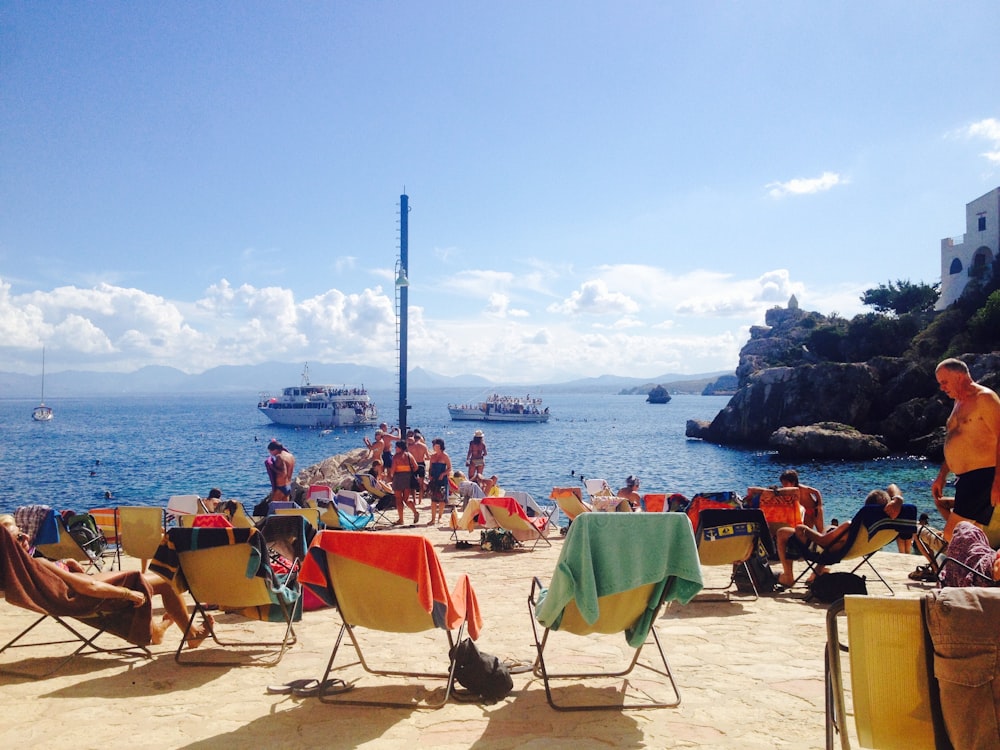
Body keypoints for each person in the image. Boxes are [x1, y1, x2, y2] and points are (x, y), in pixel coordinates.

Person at [0, 514, 210, 647]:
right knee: (164, 580)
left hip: (78, 596)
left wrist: (63, 564)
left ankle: (160, 630)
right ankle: (191, 634)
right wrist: (126, 593)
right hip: (89, 597)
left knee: (151, 585)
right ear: (8, 548)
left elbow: (56, 583)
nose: (26, 538)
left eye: (23, 533)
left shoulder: (16, 571)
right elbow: (88, 586)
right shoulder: (38, 564)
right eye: (18, 538)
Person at [774, 485, 904, 588]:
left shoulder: (850, 526)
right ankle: (817, 573)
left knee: (782, 533)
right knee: (830, 531)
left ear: (867, 505)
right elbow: (893, 486)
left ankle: (788, 577)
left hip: (826, 550)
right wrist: (898, 499)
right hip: (855, 550)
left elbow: (823, 541)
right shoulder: (889, 521)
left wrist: (805, 530)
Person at [931, 358, 1000, 543]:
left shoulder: (984, 398)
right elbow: (955, 442)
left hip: (982, 477)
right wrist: (942, 475)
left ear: (959, 376)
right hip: (964, 479)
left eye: (944, 382)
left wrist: (997, 482)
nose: (942, 388)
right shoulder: (958, 403)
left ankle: (953, 570)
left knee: (951, 535)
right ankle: (975, 570)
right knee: (969, 537)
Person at [390, 440, 419, 525]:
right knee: (406, 499)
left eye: (396, 447)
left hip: (398, 477)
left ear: (399, 448)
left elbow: (393, 470)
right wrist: (409, 471)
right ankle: (415, 512)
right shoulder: (409, 455)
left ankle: (401, 519)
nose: (395, 449)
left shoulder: (396, 457)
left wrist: (391, 476)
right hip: (408, 478)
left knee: (398, 500)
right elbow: (416, 467)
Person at [428, 438, 452, 526]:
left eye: (436, 445)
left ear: (440, 446)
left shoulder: (445, 456)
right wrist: (429, 475)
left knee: (442, 500)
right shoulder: (433, 456)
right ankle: (433, 519)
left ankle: (440, 517)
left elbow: (449, 468)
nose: (434, 447)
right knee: (433, 500)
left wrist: (443, 474)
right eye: (434, 445)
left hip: (442, 480)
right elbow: (430, 468)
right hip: (434, 479)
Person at [407, 434, 430, 503]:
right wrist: (423, 457)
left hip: (413, 465)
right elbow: (428, 457)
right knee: (421, 483)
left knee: (413, 484)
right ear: (420, 438)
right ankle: (420, 500)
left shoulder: (410, 447)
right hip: (421, 464)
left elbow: (408, 457)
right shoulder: (424, 446)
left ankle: (414, 500)